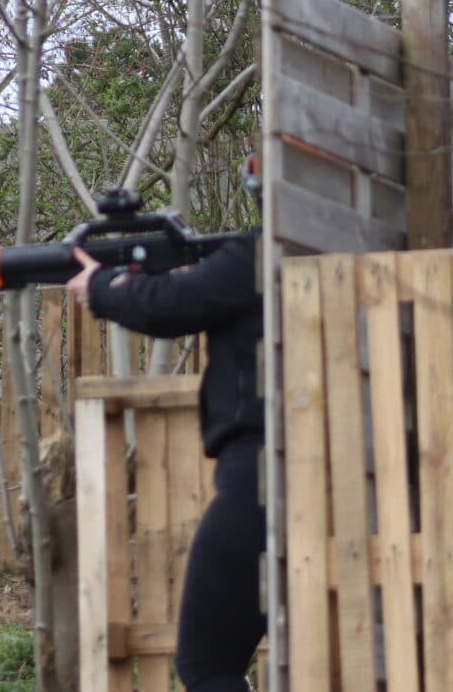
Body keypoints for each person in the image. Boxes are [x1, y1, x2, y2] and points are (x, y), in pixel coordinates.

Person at [65, 238, 265, 692]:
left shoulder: (262, 251)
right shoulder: (329, 245)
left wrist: (100, 287)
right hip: (333, 479)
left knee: (206, 665)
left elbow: (173, 305)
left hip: (257, 480)